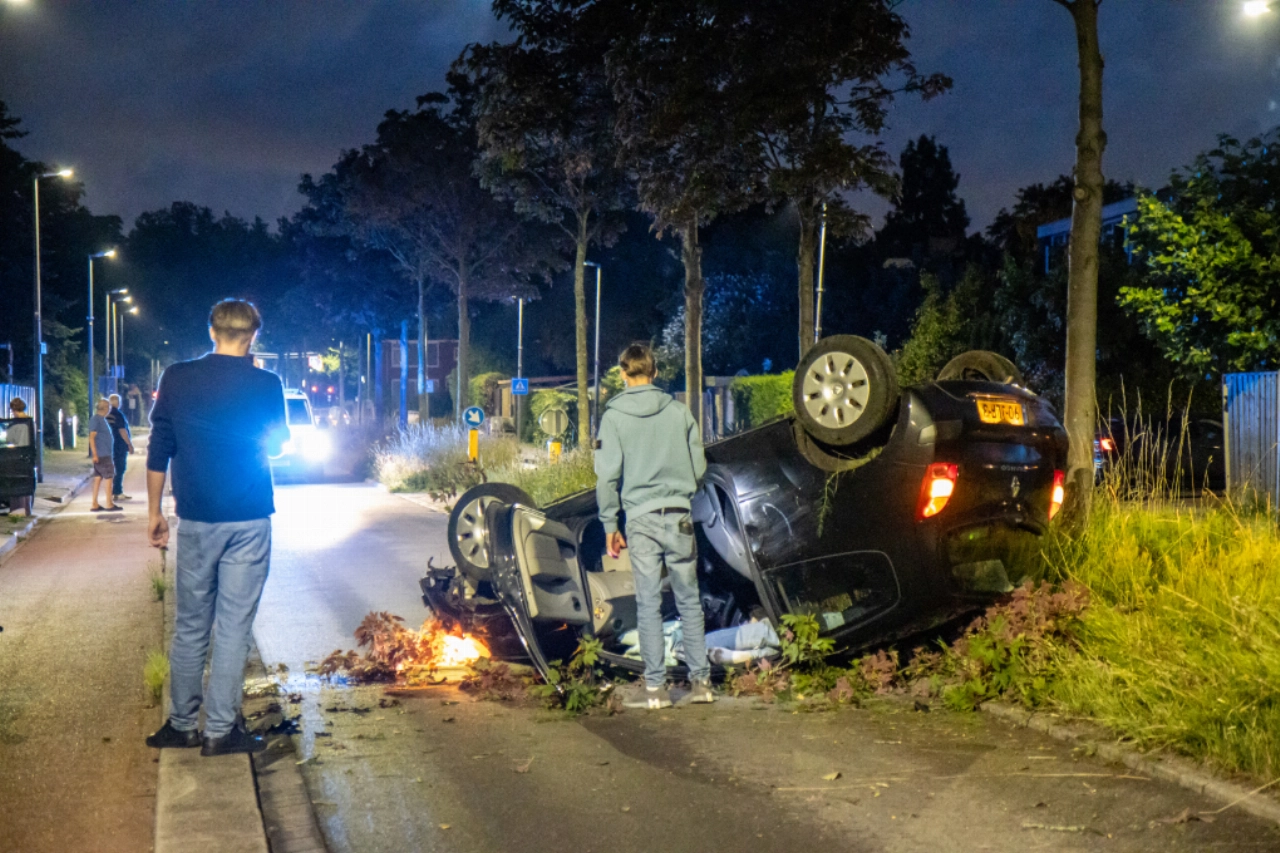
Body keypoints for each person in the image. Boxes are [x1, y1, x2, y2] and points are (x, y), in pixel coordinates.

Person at [144, 299, 288, 756]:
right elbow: (279, 445)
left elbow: (159, 449)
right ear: (253, 336)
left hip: (198, 517)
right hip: (248, 516)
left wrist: (154, 512)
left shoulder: (177, 377)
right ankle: (221, 731)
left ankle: (182, 724)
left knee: (190, 624)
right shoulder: (267, 383)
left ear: (212, 331)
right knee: (233, 627)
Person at [595, 343, 713, 710]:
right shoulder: (679, 412)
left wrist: (609, 523)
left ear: (623, 373)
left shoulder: (613, 417)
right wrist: (681, 491)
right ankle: (701, 684)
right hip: (677, 514)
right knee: (689, 599)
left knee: (648, 603)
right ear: (655, 372)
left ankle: (657, 691)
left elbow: (606, 477)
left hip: (640, 519)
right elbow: (699, 468)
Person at [87, 399, 121, 513]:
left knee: (98, 478)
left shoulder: (101, 419)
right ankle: (109, 503)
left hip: (103, 453)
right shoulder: (96, 420)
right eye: (109, 407)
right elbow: (92, 437)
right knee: (109, 477)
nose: (110, 409)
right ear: (105, 408)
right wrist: (95, 454)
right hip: (103, 454)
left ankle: (95, 503)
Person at [106, 393, 135, 501]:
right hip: (119, 444)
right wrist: (129, 444)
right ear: (117, 402)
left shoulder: (106, 415)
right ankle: (117, 491)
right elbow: (122, 430)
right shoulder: (118, 415)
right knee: (120, 467)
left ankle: (112, 491)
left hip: (108, 444)